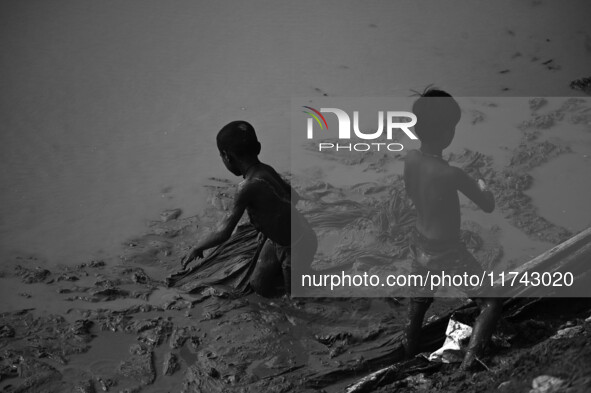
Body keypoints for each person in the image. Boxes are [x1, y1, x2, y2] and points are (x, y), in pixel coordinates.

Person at [402, 89, 502, 370]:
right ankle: (468, 367)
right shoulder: (452, 174)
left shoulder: (410, 159)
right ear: (447, 133)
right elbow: (487, 206)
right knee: (491, 303)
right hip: (448, 253)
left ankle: (405, 355)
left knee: (418, 306)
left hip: (419, 246)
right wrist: (483, 186)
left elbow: (412, 192)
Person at [181, 121, 317, 297]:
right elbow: (293, 197)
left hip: (295, 246)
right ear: (258, 147)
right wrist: (270, 224)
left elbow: (224, 232)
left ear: (227, 157)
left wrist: (198, 248)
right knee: (258, 283)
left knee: (296, 298)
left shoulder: (247, 187)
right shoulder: (266, 170)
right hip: (294, 235)